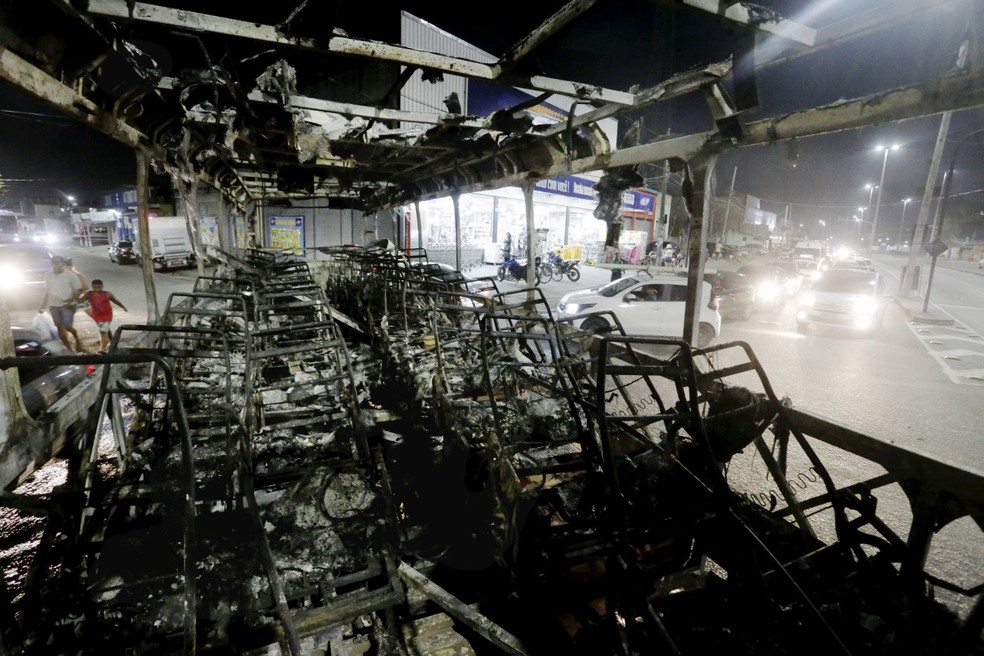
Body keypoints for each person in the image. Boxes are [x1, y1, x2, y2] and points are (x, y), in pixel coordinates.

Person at [38, 255, 83, 352]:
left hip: (67, 305)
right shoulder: (48, 275)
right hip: (54, 305)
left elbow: (79, 289)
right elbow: (47, 291)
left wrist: (71, 299)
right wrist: (42, 305)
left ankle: (76, 337)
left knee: (67, 326)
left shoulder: (71, 275)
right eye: (54, 263)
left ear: (62, 264)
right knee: (59, 327)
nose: (56, 265)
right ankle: (68, 349)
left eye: (58, 263)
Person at [82, 279, 128, 353]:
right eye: (95, 288)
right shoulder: (89, 294)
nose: (97, 289)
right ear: (92, 287)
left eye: (99, 287)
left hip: (107, 315)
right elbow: (81, 301)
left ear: (102, 287)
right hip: (97, 315)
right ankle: (113, 342)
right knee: (104, 329)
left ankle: (103, 348)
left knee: (103, 331)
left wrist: (123, 307)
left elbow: (115, 300)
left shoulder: (107, 294)